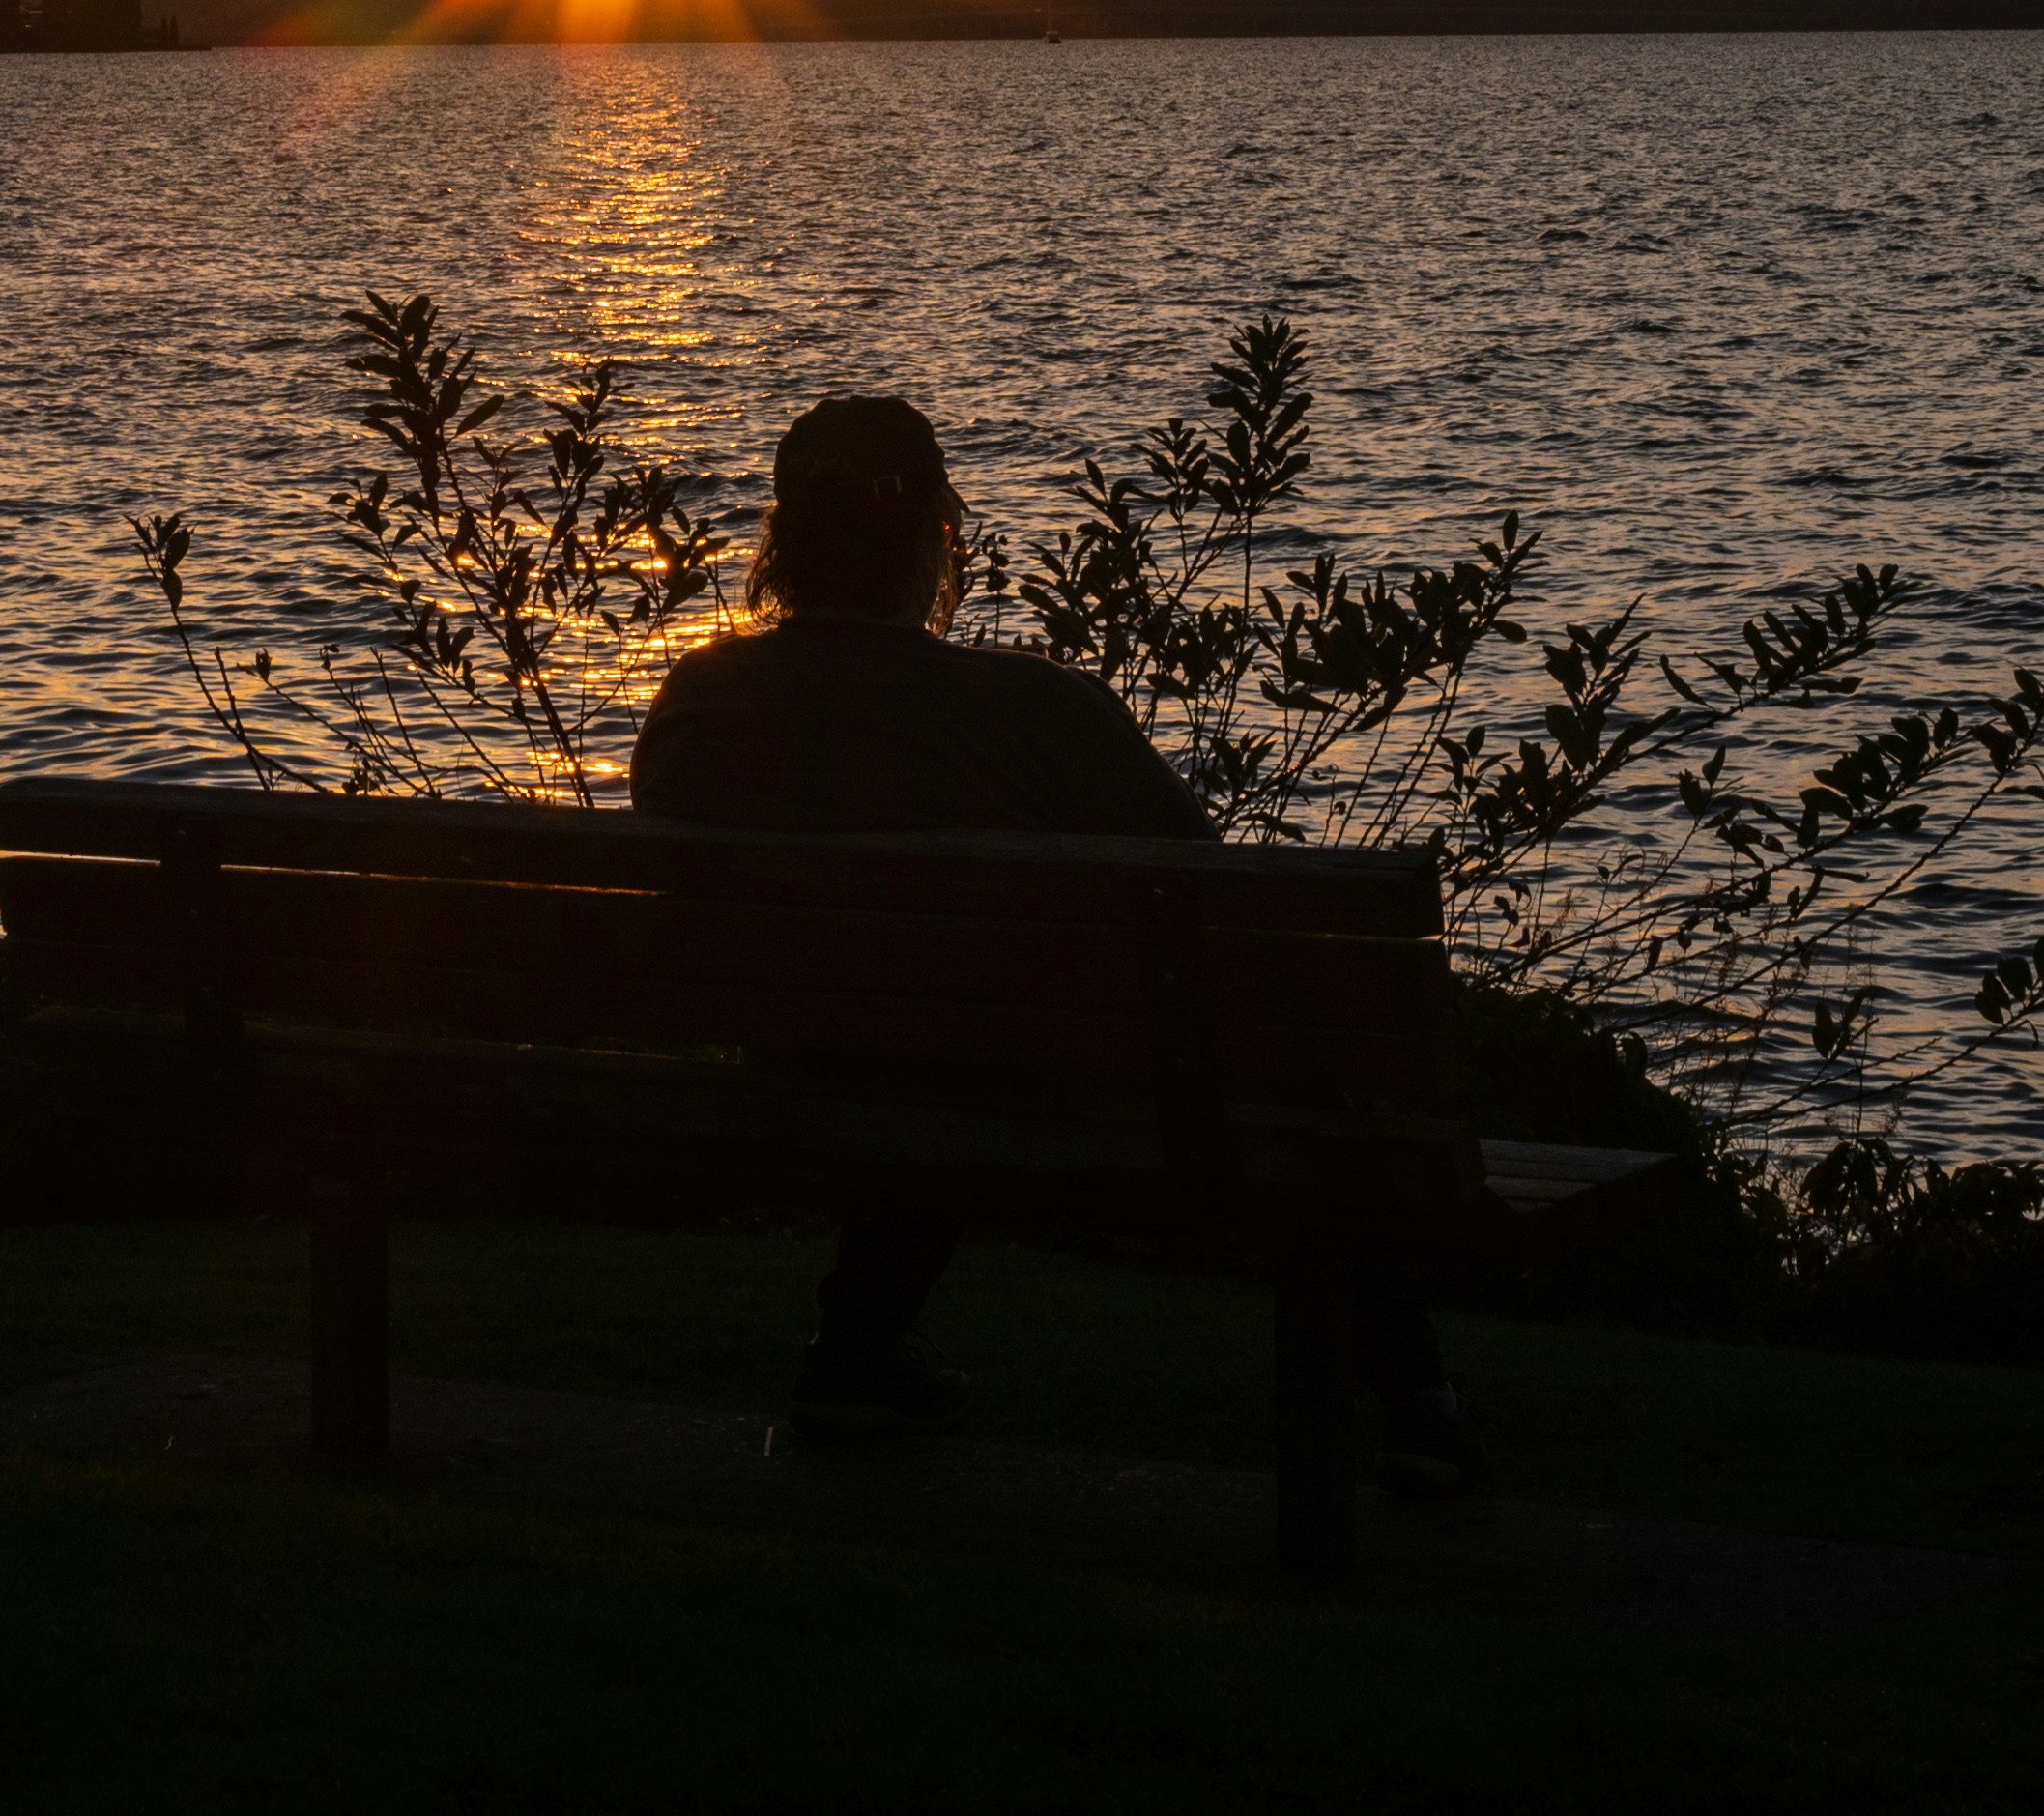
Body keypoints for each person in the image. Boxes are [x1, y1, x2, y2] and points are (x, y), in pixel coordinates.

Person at [630, 392, 1470, 1483]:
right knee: (1288, 1079)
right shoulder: (1038, 711)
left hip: (786, 1077)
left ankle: (854, 1358)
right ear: (939, 536)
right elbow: (1217, 899)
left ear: (782, 546)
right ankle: (1418, 1405)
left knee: (911, 1043)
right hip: (1017, 1085)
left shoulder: (696, 699)